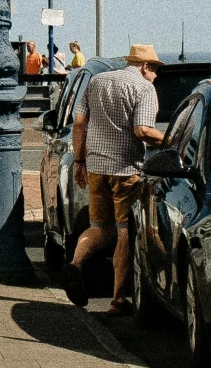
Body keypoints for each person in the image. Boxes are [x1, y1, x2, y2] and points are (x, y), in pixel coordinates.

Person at [63, 42, 161, 314]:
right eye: (154, 71)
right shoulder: (144, 88)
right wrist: (170, 139)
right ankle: (118, 300)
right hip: (126, 170)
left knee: (98, 227)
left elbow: (80, 122)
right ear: (145, 66)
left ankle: (75, 265)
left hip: (95, 165)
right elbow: (142, 129)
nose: (155, 77)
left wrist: (79, 161)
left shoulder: (97, 80)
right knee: (123, 233)